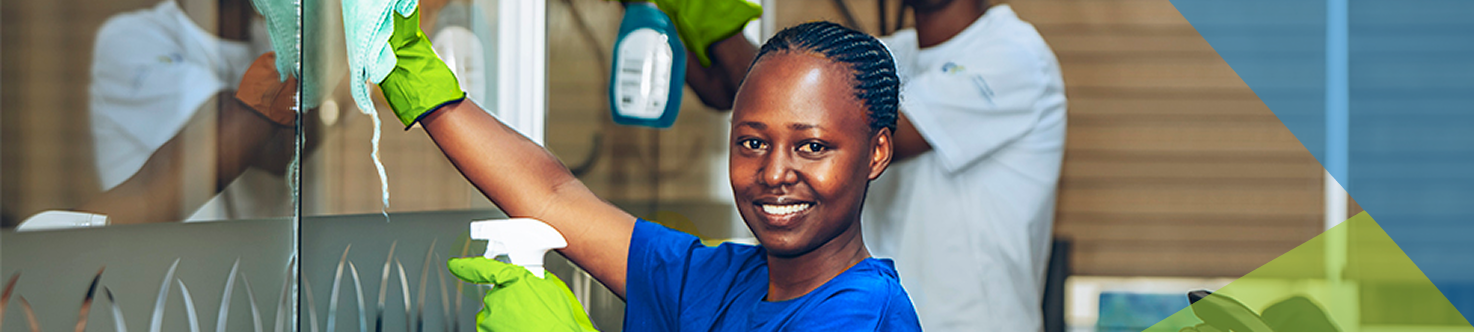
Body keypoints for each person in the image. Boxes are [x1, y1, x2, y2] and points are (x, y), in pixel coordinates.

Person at [368, 4, 920, 330]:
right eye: (752, 143)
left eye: (812, 147)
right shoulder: (717, 282)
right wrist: (416, 75)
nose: (775, 172)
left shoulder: (861, 314)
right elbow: (554, 196)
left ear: (876, 153)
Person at [679, 0, 1068, 330]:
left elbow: (874, 133)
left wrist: (711, 13)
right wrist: (662, 16)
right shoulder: (890, 56)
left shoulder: (1014, 56)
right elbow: (743, 91)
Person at [78, 0, 302, 224]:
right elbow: (271, 146)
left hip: (264, 256)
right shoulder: (129, 38)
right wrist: (316, 55)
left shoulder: (277, 39)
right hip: (163, 257)